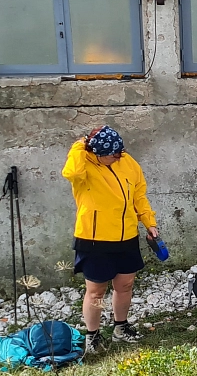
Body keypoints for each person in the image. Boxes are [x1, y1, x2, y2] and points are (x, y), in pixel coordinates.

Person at [62, 125, 160, 353]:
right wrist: (79, 145)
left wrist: (149, 222)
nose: (118, 157)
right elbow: (71, 173)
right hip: (94, 239)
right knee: (96, 291)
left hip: (127, 236)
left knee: (125, 285)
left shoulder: (126, 161)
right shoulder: (83, 165)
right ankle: (93, 336)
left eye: (119, 152)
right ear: (97, 153)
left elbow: (138, 195)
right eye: (112, 154)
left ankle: (120, 327)